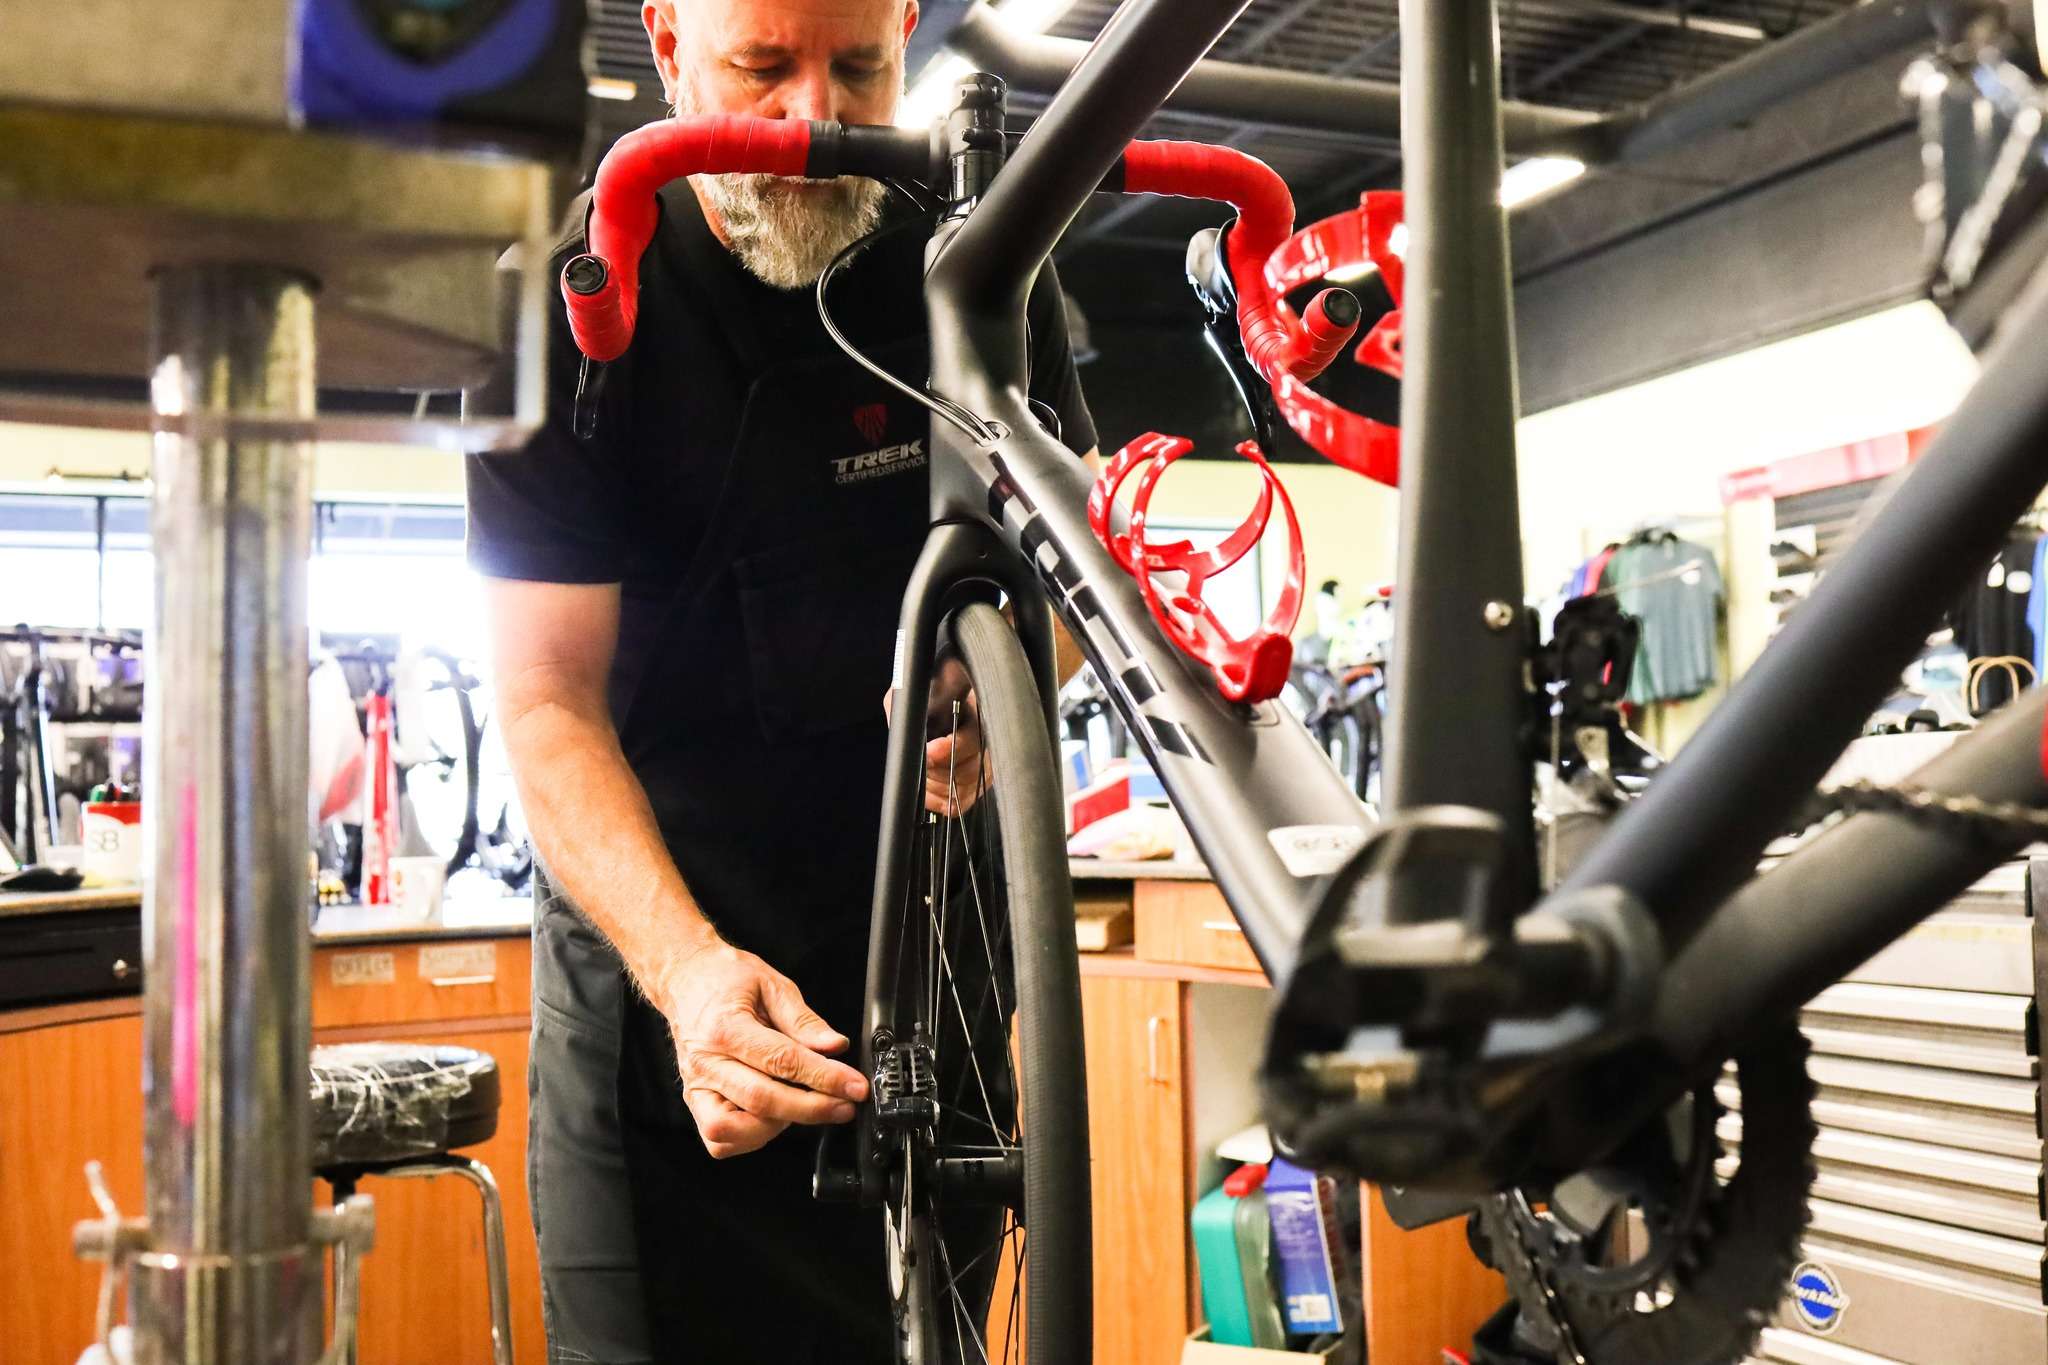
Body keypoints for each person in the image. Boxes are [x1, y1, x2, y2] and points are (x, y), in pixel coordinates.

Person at [463, 0, 1098, 1358]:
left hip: (930, 963)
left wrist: (1004, 689)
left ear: (907, 33)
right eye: (764, 67)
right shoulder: (569, 295)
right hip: (660, 973)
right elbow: (542, 703)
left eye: (860, 67)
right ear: (668, 40)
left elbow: (1067, 591)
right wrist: (689, 977)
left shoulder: (978, 264)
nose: (814, 121)